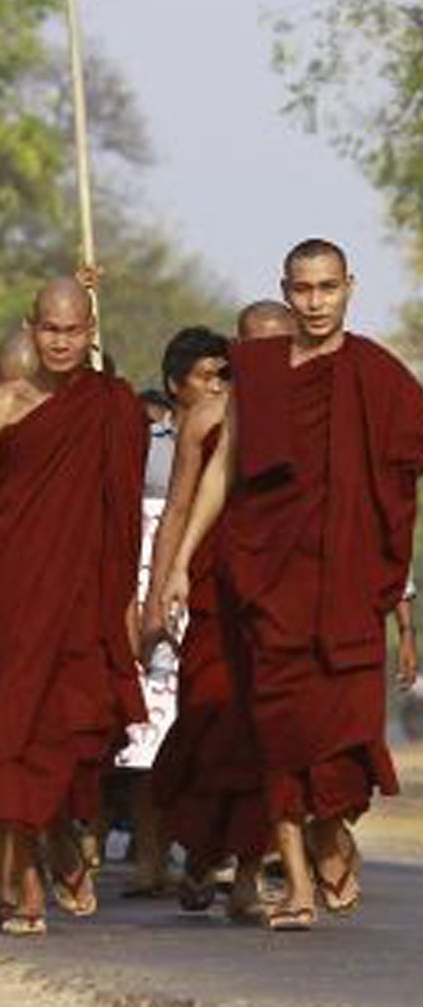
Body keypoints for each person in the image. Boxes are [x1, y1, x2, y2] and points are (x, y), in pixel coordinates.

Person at [161, 240, 423, 930]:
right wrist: (186, 559)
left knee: (343, 733)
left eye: (326, 288)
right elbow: (223, 473)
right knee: (275, 734)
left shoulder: (377, 374)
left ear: (349, 289)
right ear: (286, 287)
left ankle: (331, 829)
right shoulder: (260, 372)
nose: (314, 302)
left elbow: (400, 475)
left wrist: (401, 601)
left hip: (345, 588)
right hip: (267, 582)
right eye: (302, 289)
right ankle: (297, 888)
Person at [0, 278, 149, 937]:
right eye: (49, 329)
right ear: (31, 327)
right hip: (14, 593)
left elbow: (123, 516)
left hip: (86, 597)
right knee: (14, 730)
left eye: (74, 330)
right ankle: (25, 873)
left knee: (74, 733)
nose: (60, 342)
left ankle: (59, 831)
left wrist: (128, 601)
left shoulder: (112, 406)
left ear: (92, 332)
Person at [144, 304, 291, 921]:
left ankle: (249, 875)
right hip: (214, 588)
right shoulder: (207, 414)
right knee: (208, 718)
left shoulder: (312, 411)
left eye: (280, 345)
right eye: (254, 346)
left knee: (267, 732)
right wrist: (156, 591)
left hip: (283, 591)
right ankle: (204, 851)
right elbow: (177, 508)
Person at [109, 325, 231, 901]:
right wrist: (140, 600)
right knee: (149, 733)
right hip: (149, 589)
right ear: (173, 384)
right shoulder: (145, 445)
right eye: (205, 376)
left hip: (210, 585)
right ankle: (150, 857)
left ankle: (206, 855)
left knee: (210, 722)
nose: (216, 386)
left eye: (223, 375)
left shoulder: (239, 434)